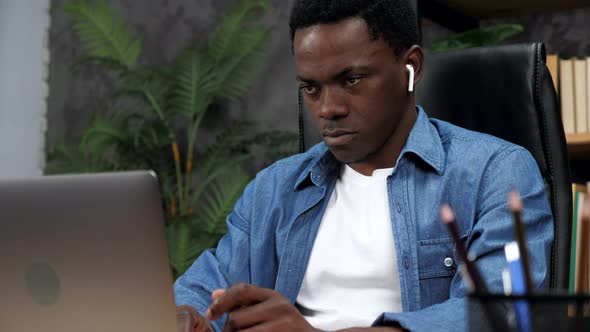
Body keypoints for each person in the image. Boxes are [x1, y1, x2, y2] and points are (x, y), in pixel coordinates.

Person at [174, 1, 554, 331]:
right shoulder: (274, 189)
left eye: (351, 80)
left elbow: (498, 313)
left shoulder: (495, 172)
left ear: (412, 67)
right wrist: (185, 316)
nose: (327, 108)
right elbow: (203, 288)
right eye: (311, 88)